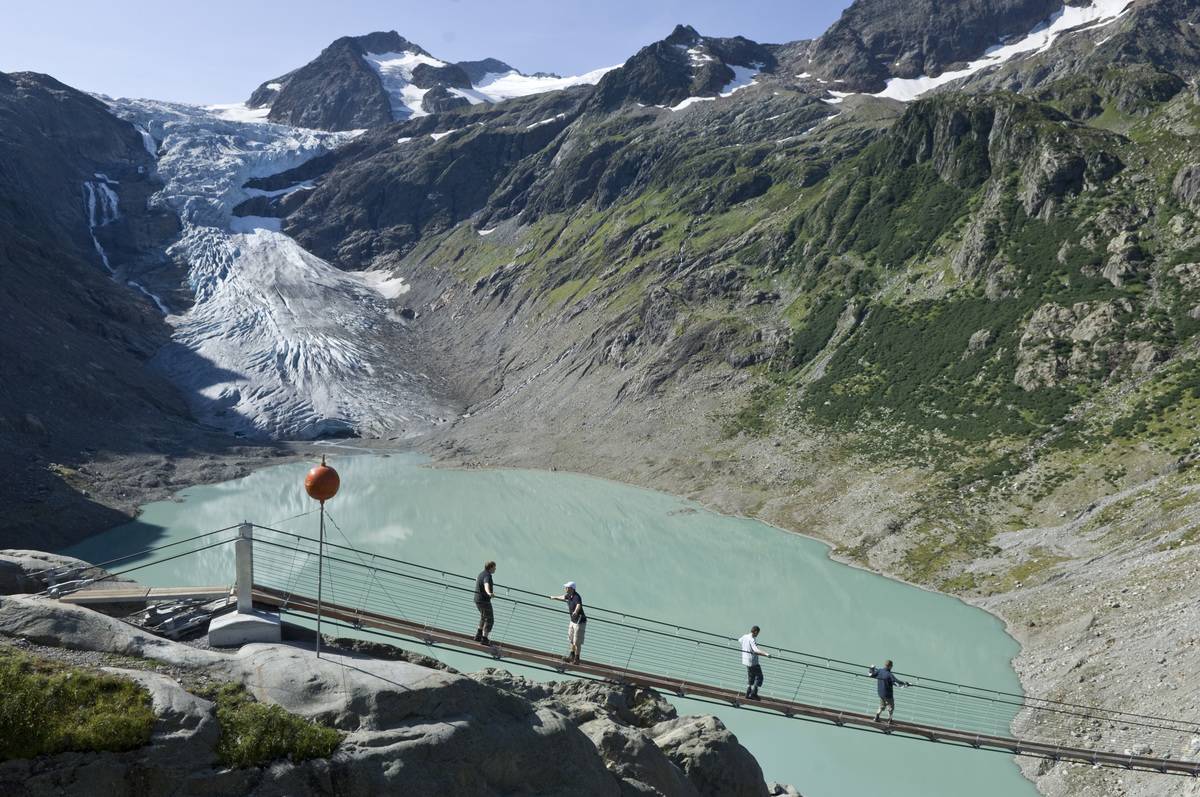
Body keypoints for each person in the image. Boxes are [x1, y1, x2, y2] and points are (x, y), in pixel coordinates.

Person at [549, 581, 586, 664]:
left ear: (572, 588)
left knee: (577, 642)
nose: (565, 588)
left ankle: (577, 659)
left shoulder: (576, 596)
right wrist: (553, 597)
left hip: (579, 622)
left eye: (567, 587)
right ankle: (571, 656)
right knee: (571, 639)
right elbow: (562, 597)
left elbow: (578, 605)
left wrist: (576, 612)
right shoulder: (569, 595)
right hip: (572, 621)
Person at [738, 625, 771, 699]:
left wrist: (746, 648)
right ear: (755, 632)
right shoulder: (752, 639)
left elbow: (739, 640)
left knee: (751, 676)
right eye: (758, 633)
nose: (757, 635)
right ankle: (754, 693)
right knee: (759, 677)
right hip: (753, 661)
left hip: (746, 660)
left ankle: (748, 692)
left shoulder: (745, 636)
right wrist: (766, 654)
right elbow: (756, 650)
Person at [473, 561, 496, 645]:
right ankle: (484, 639)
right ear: (491, 567)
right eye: (494, 567)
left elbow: (478, 580)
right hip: (484, 601)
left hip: (477, 599)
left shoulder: (481, 574)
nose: (495, 569)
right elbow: (486, 584)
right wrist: (489, 593)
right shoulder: (487, 575)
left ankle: (478, 635)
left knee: (483, 617)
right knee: (489, 619)